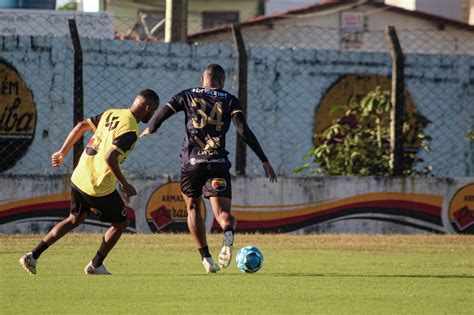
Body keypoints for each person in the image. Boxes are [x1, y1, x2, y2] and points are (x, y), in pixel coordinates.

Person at [141, 64, 277, 273]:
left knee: (193, 208)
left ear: (202, 79)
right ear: (221, 81)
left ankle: (206, 258)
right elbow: (243, 130)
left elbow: (160, 117)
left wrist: (151, 128)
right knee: (223, 213)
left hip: (192, 163)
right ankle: (228, 230)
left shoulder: (186, 95)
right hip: (218, 163)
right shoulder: (230, 100)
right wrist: (264, 159)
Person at [19, 89, 160, 275]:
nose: (152, 115)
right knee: (121, 223)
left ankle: (33, 255)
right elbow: (110, 159)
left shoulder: (112, 113)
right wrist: (125, 185)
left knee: (74, 219)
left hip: (79, 177)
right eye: (154, 110)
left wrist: (62, 152)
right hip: (97, 186)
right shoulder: (131, 130)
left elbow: (81, 126)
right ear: (148, 108)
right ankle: (95, 265)